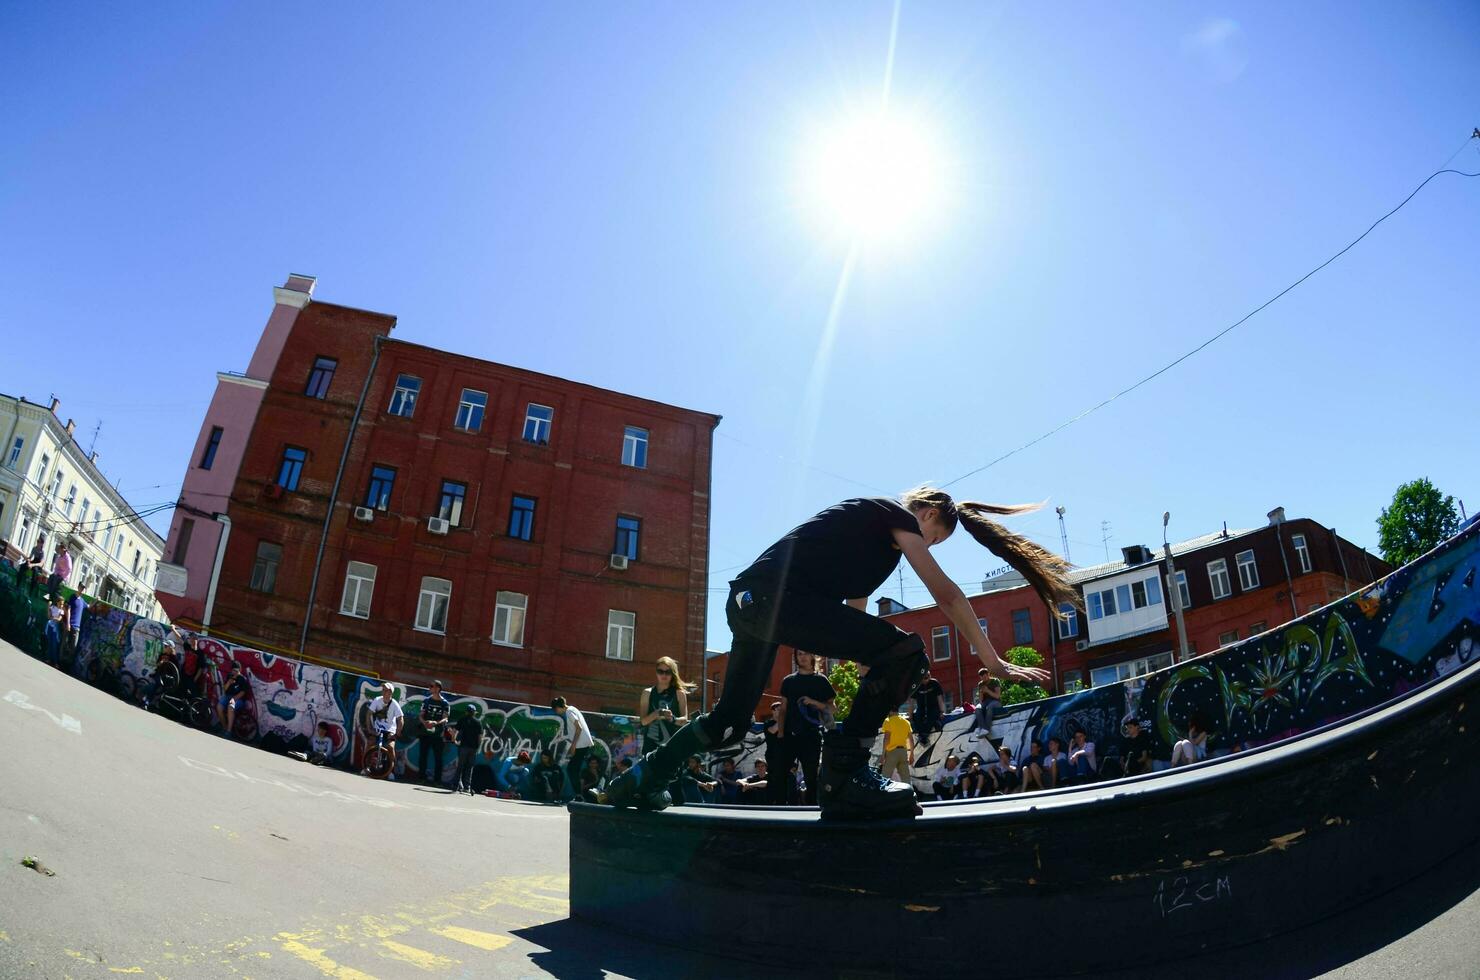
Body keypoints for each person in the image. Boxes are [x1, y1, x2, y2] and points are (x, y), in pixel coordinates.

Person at [605, 489, 1070, 821]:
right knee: (908, 650)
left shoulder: (873, 549)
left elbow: (855, 613)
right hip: (773, 600)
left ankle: (642, 778)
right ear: (926, 513)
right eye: (933, 539)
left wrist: (858, 660)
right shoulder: (893, 513)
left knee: (729, 722)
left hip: (752, 602)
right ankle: (844, 777)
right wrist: (991, 660)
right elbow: (945, 594)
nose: (925, 548)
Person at [771, 650, 835, 805]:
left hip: (811, 735)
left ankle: (812, 812)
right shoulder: (788, 681)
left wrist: (813, 702)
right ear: (796, 658)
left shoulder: (821, 680)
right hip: (788, 735)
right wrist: (780, 735)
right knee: (780, 775)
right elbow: (783, 709)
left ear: (813, 656)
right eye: (799, 654)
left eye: (806, 653)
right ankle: (780, 811)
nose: (803, 657)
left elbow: (832, 709)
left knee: (811, 777)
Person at [637, 656, 692, 754]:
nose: (664, 675)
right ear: (656, 672)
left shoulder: (679, 693)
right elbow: (643, 721)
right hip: (650, 747)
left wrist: (672, 718)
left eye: (668, 672)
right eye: (660, 671)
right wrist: (657, 713)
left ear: (672, 674)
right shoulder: (647, 693)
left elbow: (684, 720)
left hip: (673, 747)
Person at [552, 697, 593, 802]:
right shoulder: (572, 709)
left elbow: (578, 728)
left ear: (559, 707)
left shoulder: (569, 712)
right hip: (583, 743)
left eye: (556, 710)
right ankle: (579, 795)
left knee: (571, 769)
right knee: (574, 769)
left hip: (581, 744)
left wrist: (573, 745)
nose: (557, 712)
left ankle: (579, 795)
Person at [361, 683, 404, 776]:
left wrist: (397, 733)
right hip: (378, 728)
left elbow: (400, 719)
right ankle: (365, 767)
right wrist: (370, 729)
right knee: (369, 743)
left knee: (391, 747)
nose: (384, 691)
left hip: (389, 730)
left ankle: (391, 771)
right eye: (383, 689)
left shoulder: (394, 704)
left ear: (391, 692)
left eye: (386, 690)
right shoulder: (377, 700)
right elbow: (369, 714)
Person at [418, 680, 451, 786]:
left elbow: (445, 718)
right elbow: (421, 715)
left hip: (438, 735)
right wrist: (425, 723)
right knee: (423, 756)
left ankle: (437, 781)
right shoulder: (426, 701)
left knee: (438, 758)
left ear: (438, 688)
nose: (430, 688)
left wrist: (435, 723)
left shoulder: (445, 703)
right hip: (425, 733)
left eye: (432, 686)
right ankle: (421, 778)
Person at [879, 707, 914, 785]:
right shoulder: (906, 722)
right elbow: (911, 740)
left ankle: (883, 796)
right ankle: (910, 795)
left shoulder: (888, 721)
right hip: (903, 752)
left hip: (892, 752)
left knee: (885, 777)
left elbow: (886, 738)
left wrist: (883, 754)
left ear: (890, 711)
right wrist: (911, 754)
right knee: (906, 779)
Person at [453, 709, 485, 795]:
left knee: (460, 766)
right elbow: (480, 736)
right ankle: (467, 787)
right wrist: (478, 747)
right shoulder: (478, 722)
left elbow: (455, 731)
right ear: (474, 712)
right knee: (469, 767)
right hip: (473, 748)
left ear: (466, 712)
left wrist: (454, 740)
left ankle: (456, 786)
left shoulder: (462, 720)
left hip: (463, 747)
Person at [218, 662, 254, 738]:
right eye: (233, 670)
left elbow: (243, 692)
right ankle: (224, 727)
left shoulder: (242, 679)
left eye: (236, 671)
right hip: (228, 696)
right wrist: (228, 683)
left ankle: (228, 731)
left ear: (239, 670)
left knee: (230, 706)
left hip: (239, 699)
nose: (234, 672)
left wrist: (233, 699)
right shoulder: (229, 676)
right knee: (219, 706)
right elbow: (224, 689)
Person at [911, 673, 946, 749]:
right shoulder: (917, 685)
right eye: (924, 678)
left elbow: (940, 698)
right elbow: (912, 701)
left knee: (932, 716)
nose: (926, 680)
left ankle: (925, 735)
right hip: (921, 707)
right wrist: (910, 715)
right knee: (917, 716)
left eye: (928, 678)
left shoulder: (934, 683)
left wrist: (942, 711)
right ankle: (921, 734)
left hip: (933, 706)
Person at [971, 673, 1003, 742]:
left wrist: (987, 690)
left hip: (996, 701)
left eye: (985, 677)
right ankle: (983, 728)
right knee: (977, 709)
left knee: (989, 707)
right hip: (986, 702)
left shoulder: (995, 681)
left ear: (988, 675)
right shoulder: (981, 684)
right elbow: (981, 700)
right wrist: (981, 693)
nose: (984, 679)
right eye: (982, 678)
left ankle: (987, 728)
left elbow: (997, 696)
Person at [43, 593, 65, 667]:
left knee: (55, 645)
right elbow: (48, 616)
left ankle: (55, 662)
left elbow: (59, 619)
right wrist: (48, 606)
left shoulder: (61, 611)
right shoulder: (52, 607)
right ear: (57, 602)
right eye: (60, 604)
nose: (61, 606)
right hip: (50, 627)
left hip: (55, 630)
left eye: (62, 604)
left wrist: (53, 618)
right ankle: (48, 659)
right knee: (50, 643)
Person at [65, 591, 87, 661]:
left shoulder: (82, 601)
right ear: (78, 587)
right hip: (70, 625)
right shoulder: (72, 597)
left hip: (77, 627)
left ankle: (66, 665)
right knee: (64, 644)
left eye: (83, 588)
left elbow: (89, 606)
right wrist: (68, 623)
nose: (82, 590)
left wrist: (96, 600)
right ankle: (59, 661)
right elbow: (68, 610)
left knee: (73, 646)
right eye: (81, 587)